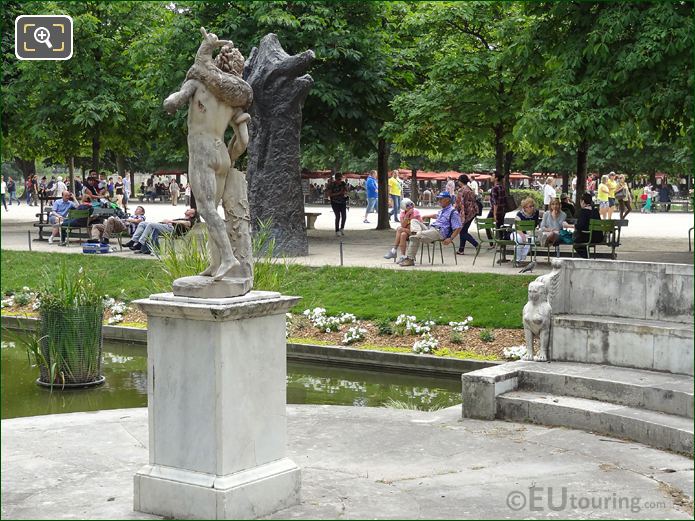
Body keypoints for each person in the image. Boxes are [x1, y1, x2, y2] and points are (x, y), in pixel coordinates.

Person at [163, 28, 253, 279]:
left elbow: (172, 103)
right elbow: (243, 140)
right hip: (221, 153)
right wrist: (231, 158)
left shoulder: (198, 82)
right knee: (213, 212)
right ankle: (217, 264)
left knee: (205, 208)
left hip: (202, 150)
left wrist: (172, 100)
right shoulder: (235, 99)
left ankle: (227, 258)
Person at [399, 191, 461, 267]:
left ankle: (410, 259)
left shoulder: (453, 212)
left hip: (439, 232)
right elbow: (436, 215)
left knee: (415, 237)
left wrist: (450, 238)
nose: (439, 201)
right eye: (438, 199)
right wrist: (426, 215)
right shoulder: (443, 210)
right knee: (414, 221)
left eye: (441, 199)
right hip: (430, 229)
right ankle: (416, 233)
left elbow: (458, 227)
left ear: (447, 200)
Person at [126, 208, 198, 255]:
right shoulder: (181, 218)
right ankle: (134, 241)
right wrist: (167, 221)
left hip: (172, 230)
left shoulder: (190, 221)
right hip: (167, 226)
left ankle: (140, 244)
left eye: (189, 210)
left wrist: (170, 221)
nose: (187, 209)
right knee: (143, 224)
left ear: (192, 215)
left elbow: (186, 223)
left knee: (151, 225)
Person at [455, 174, 479, 255]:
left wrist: (454, 212)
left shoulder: (461, 190)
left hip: (465, 213)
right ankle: (461, 250)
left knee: (462, 231)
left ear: (460, 181)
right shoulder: (469, 188)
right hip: (472, 212)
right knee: (463, 230)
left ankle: (476, 244)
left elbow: (459, 204)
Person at [574, 192, 603, 259]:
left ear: (583, 201)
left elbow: (580, 226)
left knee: (576, 242)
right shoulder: (595, 211)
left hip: (589, 237)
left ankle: (586, 258)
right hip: (599, 237)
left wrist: (570, 226)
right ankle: (587, 257)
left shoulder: (583, 211)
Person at [513, 197, 540, 262]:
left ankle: (521, 258)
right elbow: (517, 227)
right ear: (525, 208)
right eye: (530, 206)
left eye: (533, 206)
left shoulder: (536, 213)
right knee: (519, 240)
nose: (532, 208)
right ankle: (517, 260)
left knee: (532, 240)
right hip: (519, 232)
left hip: (530, 233)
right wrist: (522, 235)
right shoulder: (519, 214)